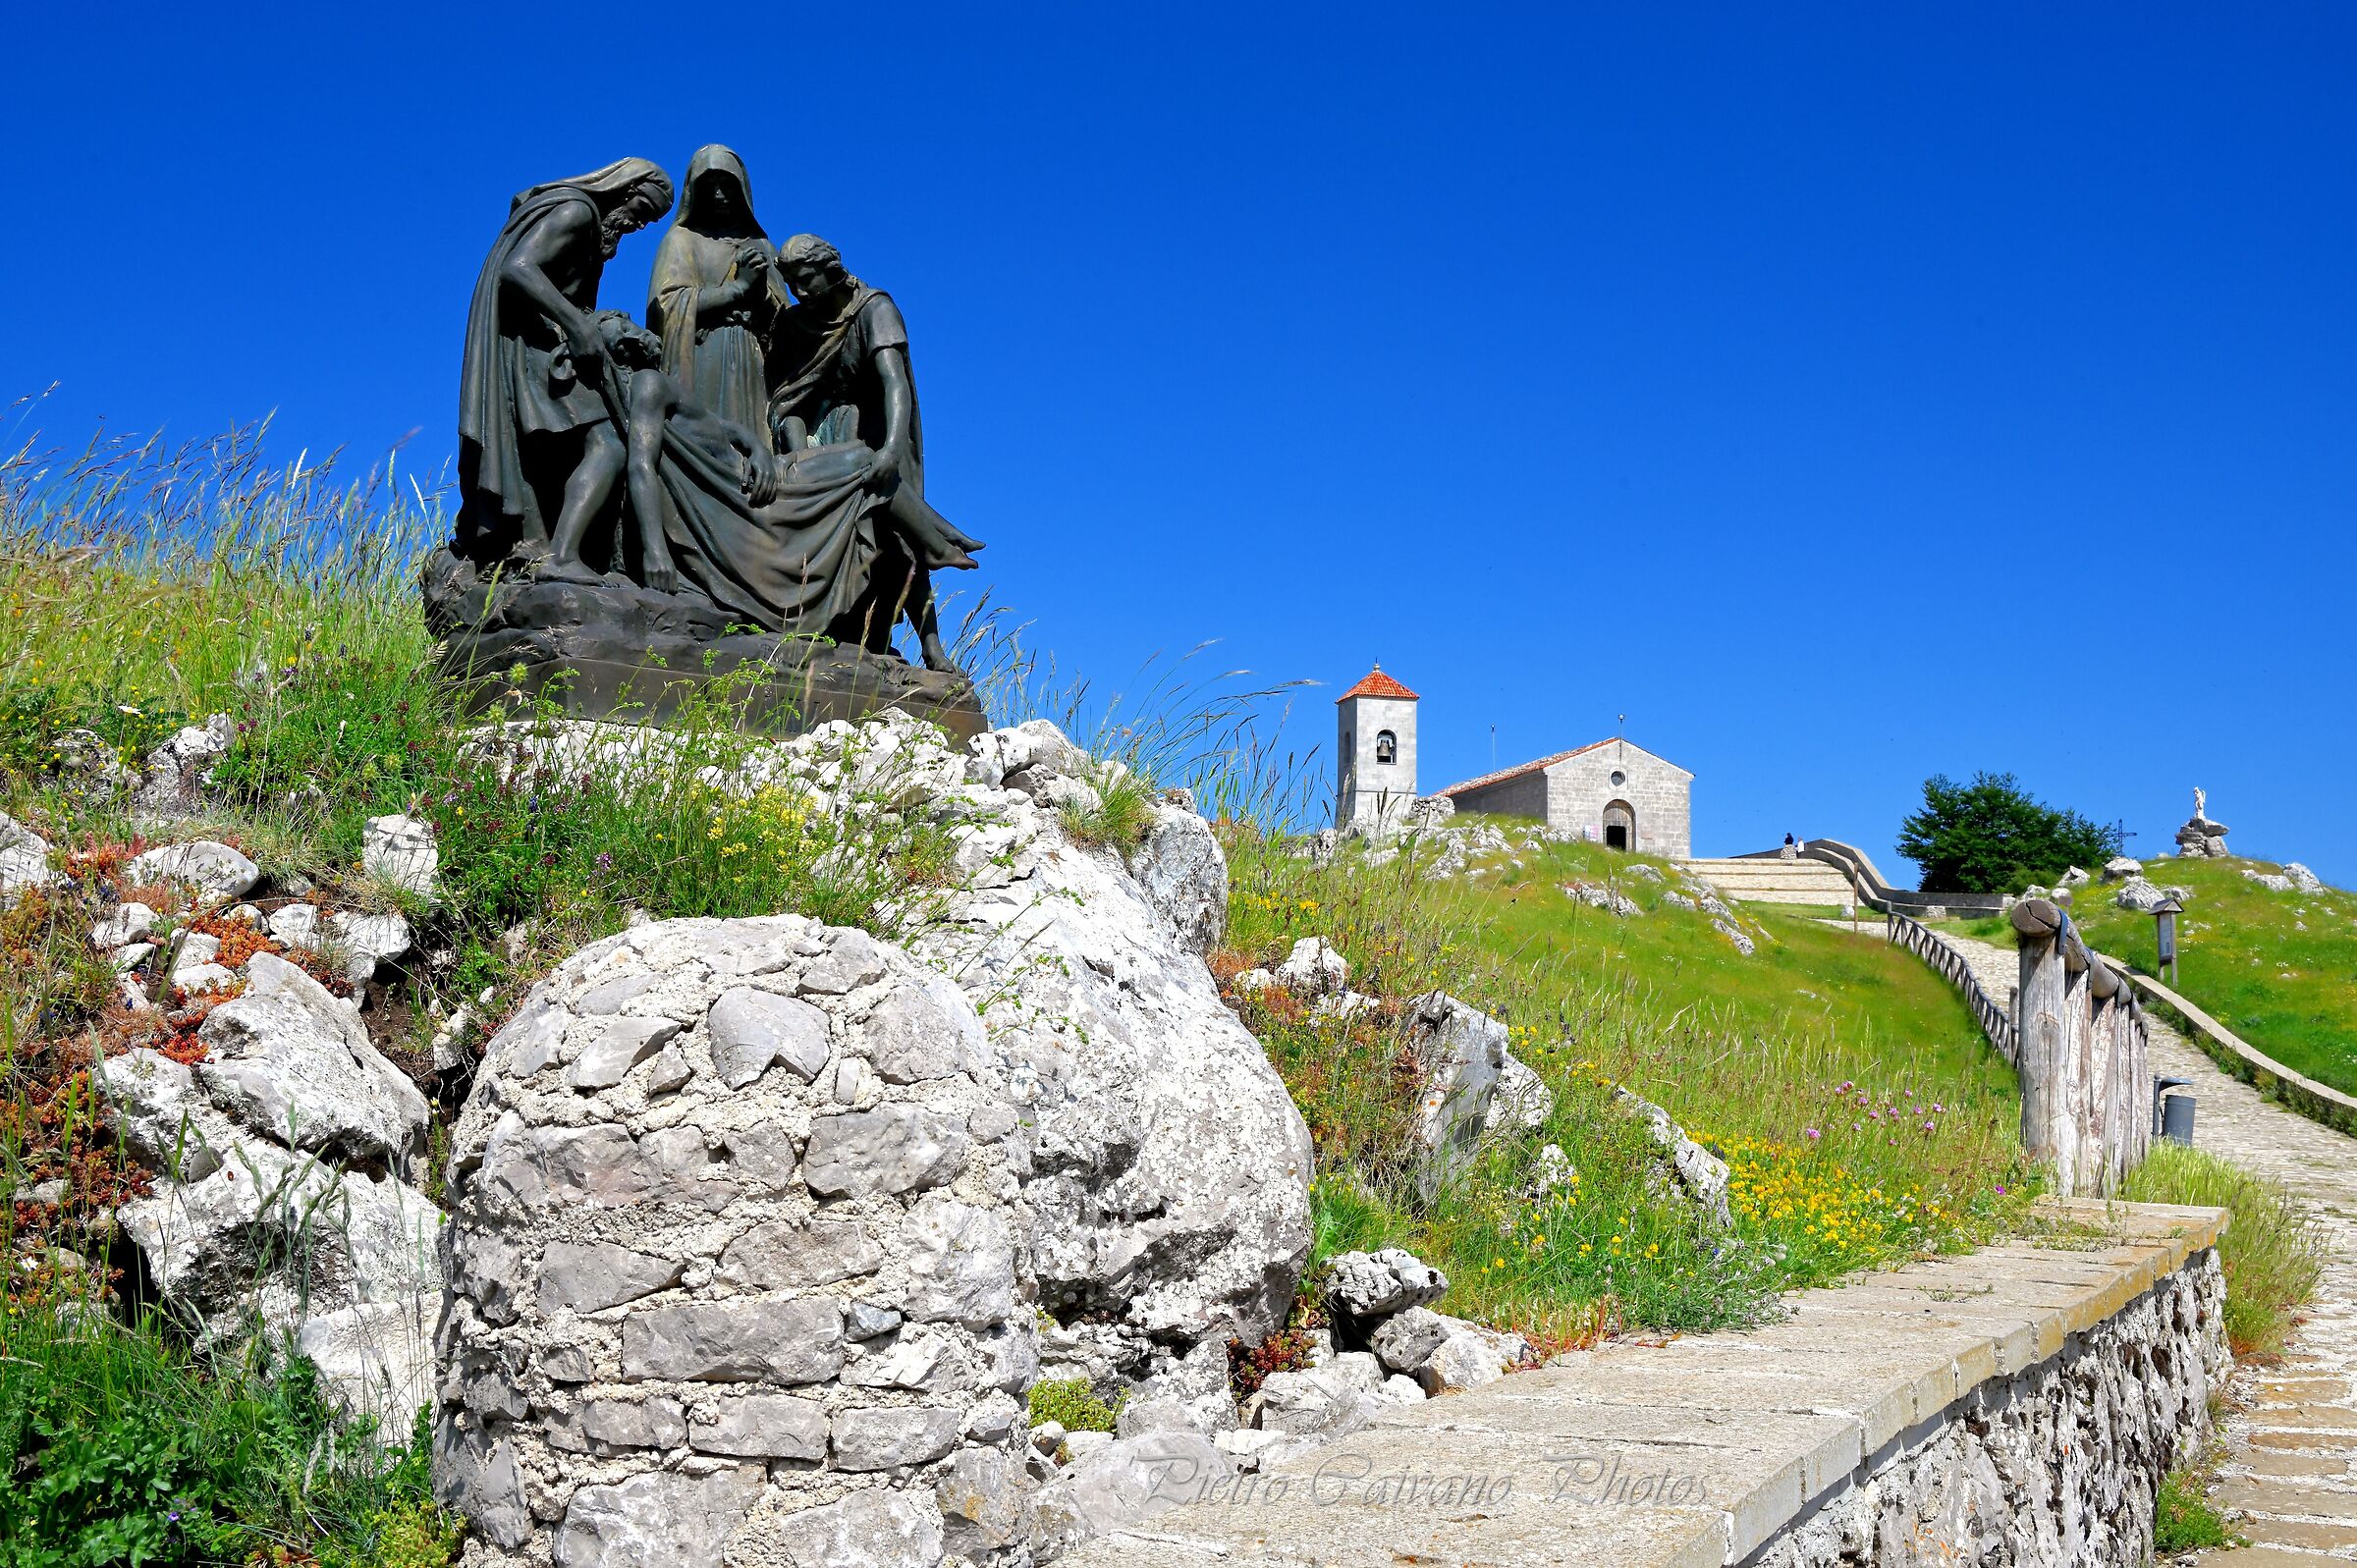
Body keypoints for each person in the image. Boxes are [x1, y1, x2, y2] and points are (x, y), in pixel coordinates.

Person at [766, 235, 981, 672]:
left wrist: (891, 449)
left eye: (807, 282)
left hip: (875, 428)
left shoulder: (874, 309)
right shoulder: (795, 324)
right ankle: (840, 624)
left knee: (897, 540)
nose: (801, 293)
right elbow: (787, 397)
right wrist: (796, 450)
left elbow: (894, 384)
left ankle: (932, 647)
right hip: (817, 436)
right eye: (793, 286)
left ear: (831, 270)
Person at [456, 158, 674, 568]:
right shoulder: (577, 212)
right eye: (642, 211)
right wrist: (576, 324)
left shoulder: (593, 228)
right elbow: (517, 268)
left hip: (542, 345)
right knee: (608, 443)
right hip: (530, 346)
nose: (638, 225)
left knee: (548, 456)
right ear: (625, 191)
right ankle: (563, 556)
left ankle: (538, 546)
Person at [646, 146, 786, 450]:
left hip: (751, 359)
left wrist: (761, 293)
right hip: (701, 355)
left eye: (728, 186)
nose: (719, 195)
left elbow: (784, 324)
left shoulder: (762, 246)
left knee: (756, 448)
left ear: (742, 191)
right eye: (709, 187)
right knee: (707, 447)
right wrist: (737, 290)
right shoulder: (681, 241)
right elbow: (666, 305)